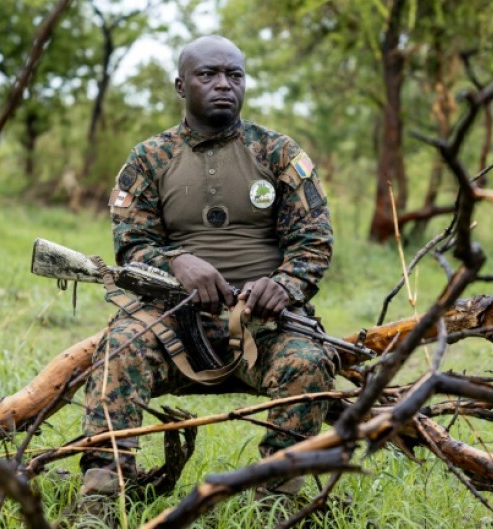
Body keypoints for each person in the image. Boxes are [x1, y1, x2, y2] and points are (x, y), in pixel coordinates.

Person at [75, 34, 336, 509]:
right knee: (120, 346)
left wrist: (283, 285)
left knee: (307, 361)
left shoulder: (277, 153)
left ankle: (280, 500)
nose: (223, 85)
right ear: (181, 85)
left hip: (264, 325)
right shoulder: (149, 158)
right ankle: (101, 497)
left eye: (234, 75)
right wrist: (176, 262)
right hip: (173, 320)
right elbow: (132, 246)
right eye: (208, 74)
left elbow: (313, 242)